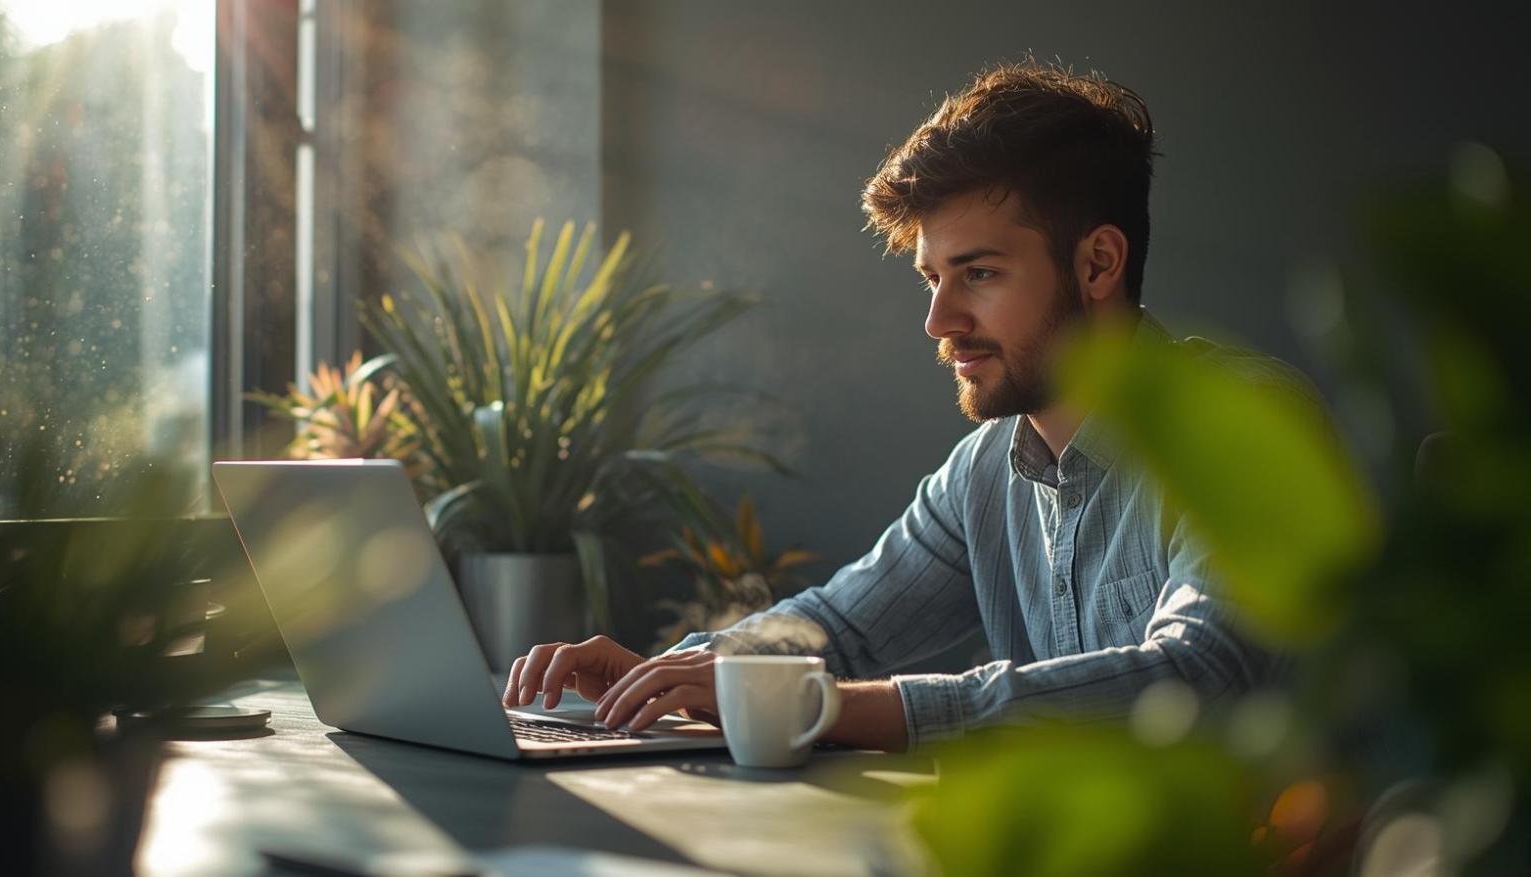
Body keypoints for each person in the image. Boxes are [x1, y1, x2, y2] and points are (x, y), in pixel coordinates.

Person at [502, 61, 1317, 752]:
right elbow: (837, 630)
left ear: (1099, 262)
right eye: (933, 278)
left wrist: (824, 707)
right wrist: (681, 669)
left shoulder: (1241, 419)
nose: (939, 320)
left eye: (981, 274)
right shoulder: (984, 474)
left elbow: (1204, 672)